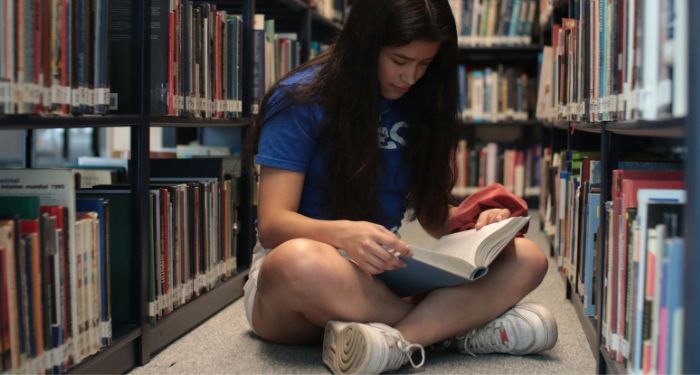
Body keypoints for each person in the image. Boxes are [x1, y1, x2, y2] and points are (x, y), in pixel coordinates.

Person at [242, 0, 558, 373]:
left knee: (528, 258)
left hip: (384, 277)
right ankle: (455, 331)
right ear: (364, 45)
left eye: (425, 64)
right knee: (298, 261)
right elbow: (273, 225)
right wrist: (342, 235)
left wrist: (481, 225)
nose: (411, 77)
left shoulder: (421, 102)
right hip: (308, 282)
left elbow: (433, 218)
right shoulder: (301, 98)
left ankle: (394, 341)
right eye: (400, 61)